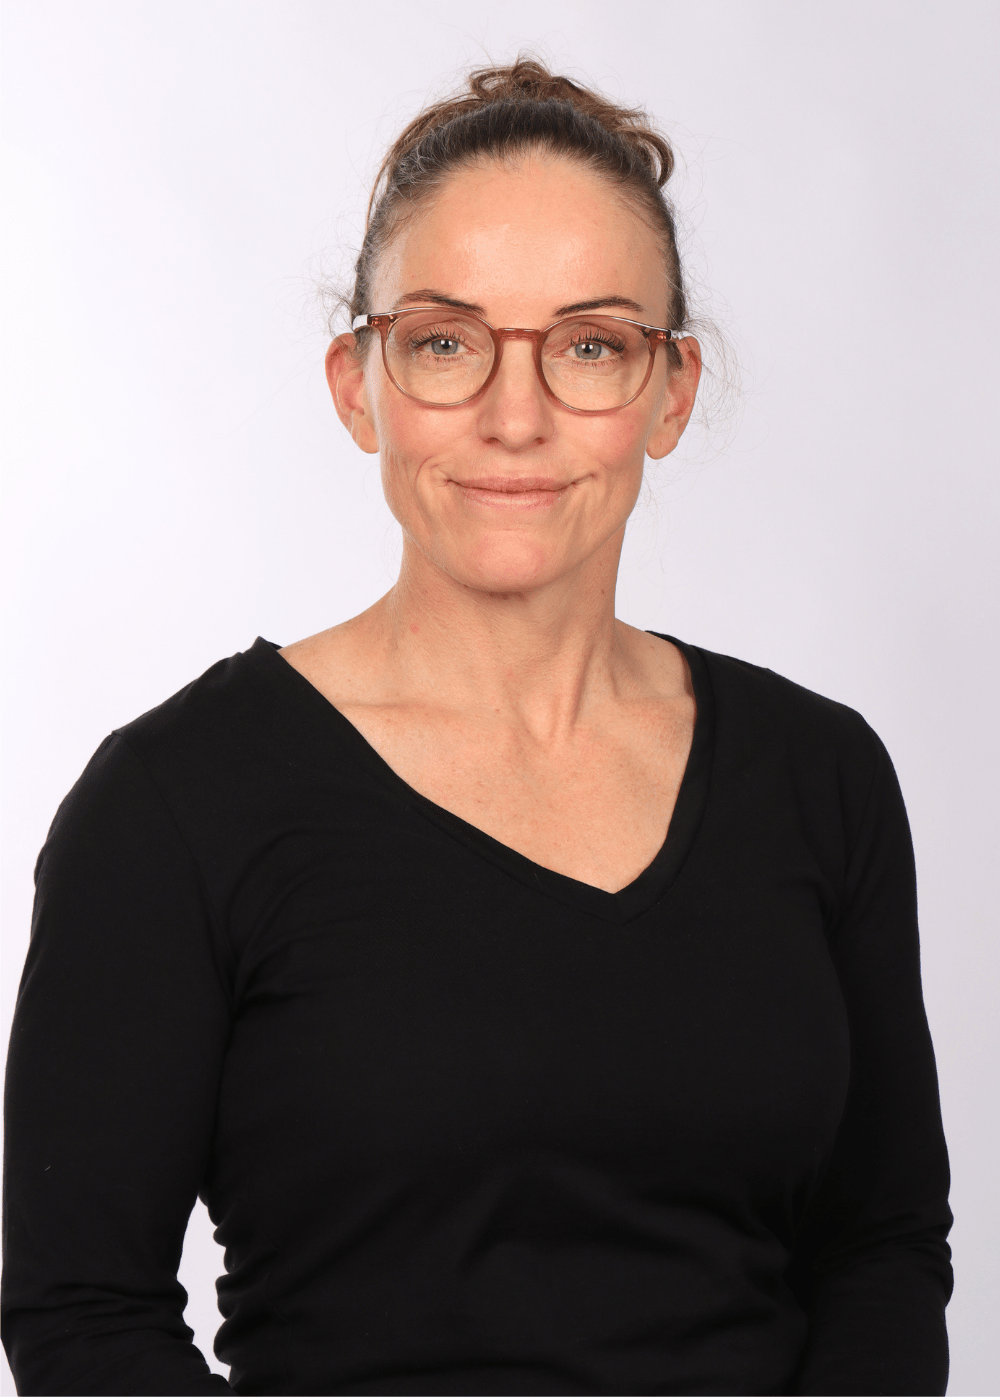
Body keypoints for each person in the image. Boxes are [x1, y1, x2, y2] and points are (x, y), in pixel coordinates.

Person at [1, 59, 952, 1397]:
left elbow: (881, 1246)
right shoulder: (174, 806)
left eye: (590, 345)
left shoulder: (821, 776)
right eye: (446, 342)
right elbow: (82, 1316)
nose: (516, 418)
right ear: (359, 384)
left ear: (671, 392)